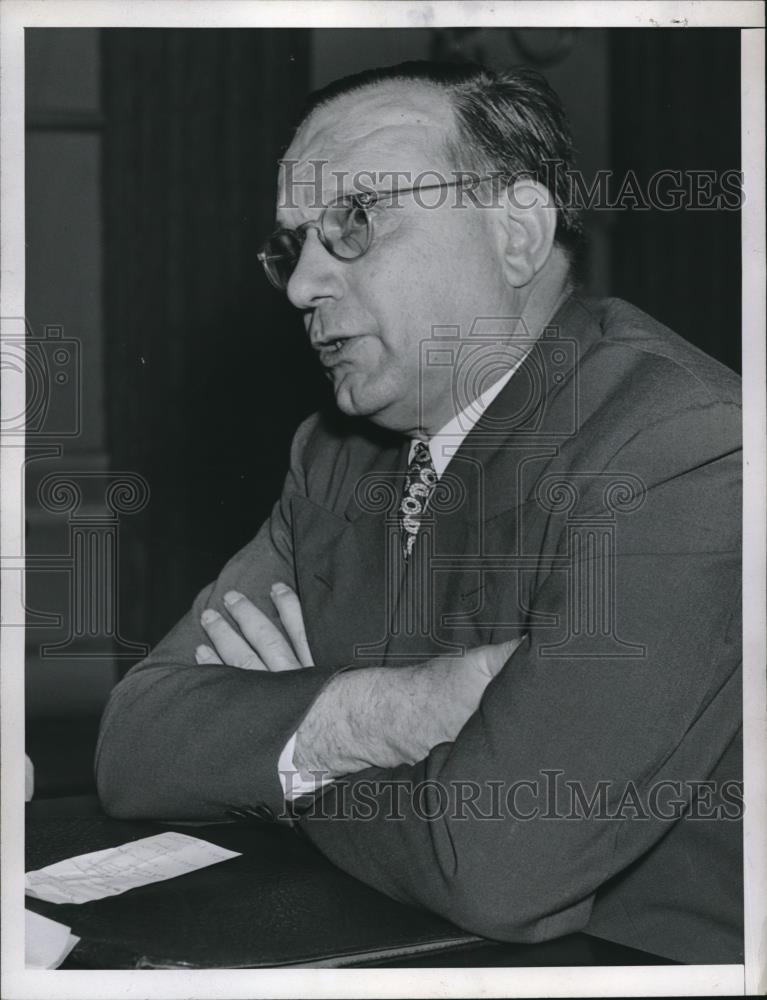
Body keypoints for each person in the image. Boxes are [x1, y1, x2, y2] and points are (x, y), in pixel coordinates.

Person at [95, 61, 742, 965]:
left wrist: (277, 749)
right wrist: (392, 714)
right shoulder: (333, 455)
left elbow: (492, 861)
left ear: (516, 232)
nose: (300, 286)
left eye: (354, 220)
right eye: (292, 245)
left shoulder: (687, 448)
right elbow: (135, 744)